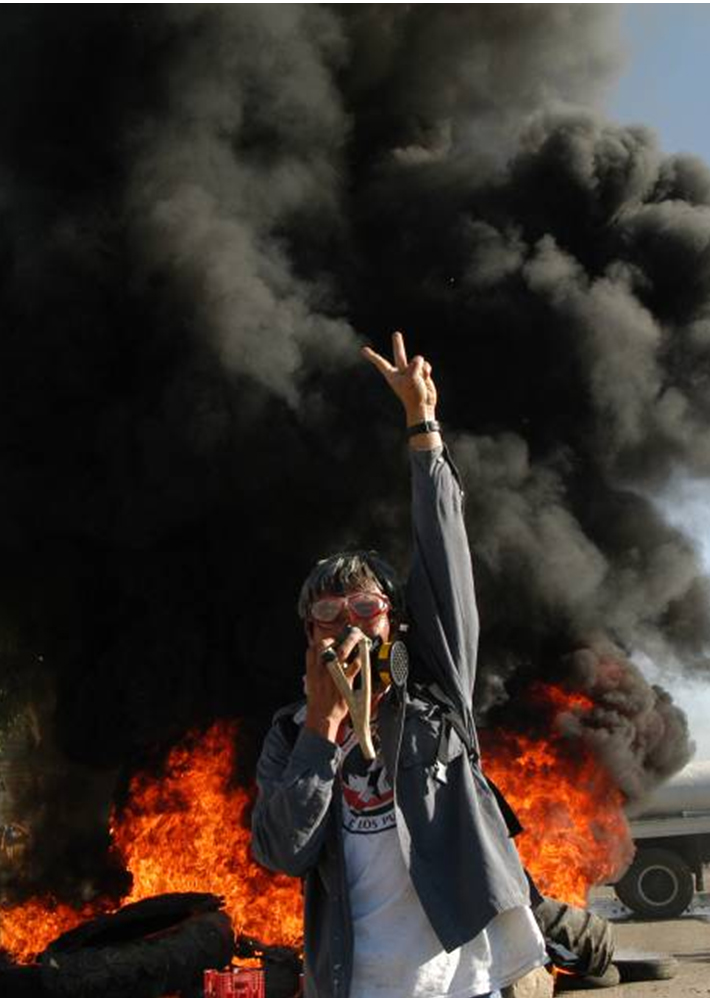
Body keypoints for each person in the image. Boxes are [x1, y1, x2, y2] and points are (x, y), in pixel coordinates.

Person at [251, 332, 547, 998]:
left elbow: (444, 556)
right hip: (353, 983)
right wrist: (320, 734)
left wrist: (422, 427)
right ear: (308, 634)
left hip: (464, 983)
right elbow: (281, 851)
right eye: (330, 615)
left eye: (365, 608)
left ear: (394, 621)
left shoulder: (436, 699)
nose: (349, 626)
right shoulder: (287, 733)